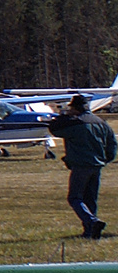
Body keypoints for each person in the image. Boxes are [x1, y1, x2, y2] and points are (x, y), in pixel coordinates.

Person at [48, 94, 117, 239]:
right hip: (97, 164)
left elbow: (55, 130)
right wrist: (107, 158)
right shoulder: (101, 122)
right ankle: (91, 232)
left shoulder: (76, 123)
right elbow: (112, 143)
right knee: (90, 199)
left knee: (75, 198)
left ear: (75, 108)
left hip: (81, 165)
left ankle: (92, 222)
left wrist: (62, 117)